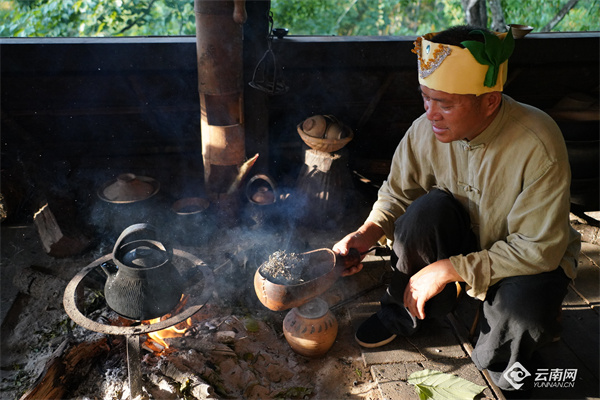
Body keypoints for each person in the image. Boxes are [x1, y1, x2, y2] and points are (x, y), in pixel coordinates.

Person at [333, 25, 581, 394]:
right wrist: (367, 232)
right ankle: (403, 312)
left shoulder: (537, 142)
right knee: (423, 213)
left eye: (445, 104)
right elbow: (398, 193)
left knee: (522, 309)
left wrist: (449, 268)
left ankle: (508, 361)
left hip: (525, 260)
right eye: (425, 98)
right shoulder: (424, 131)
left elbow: (538, 249)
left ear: (490, 102)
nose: (431, 114)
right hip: (465, 240)